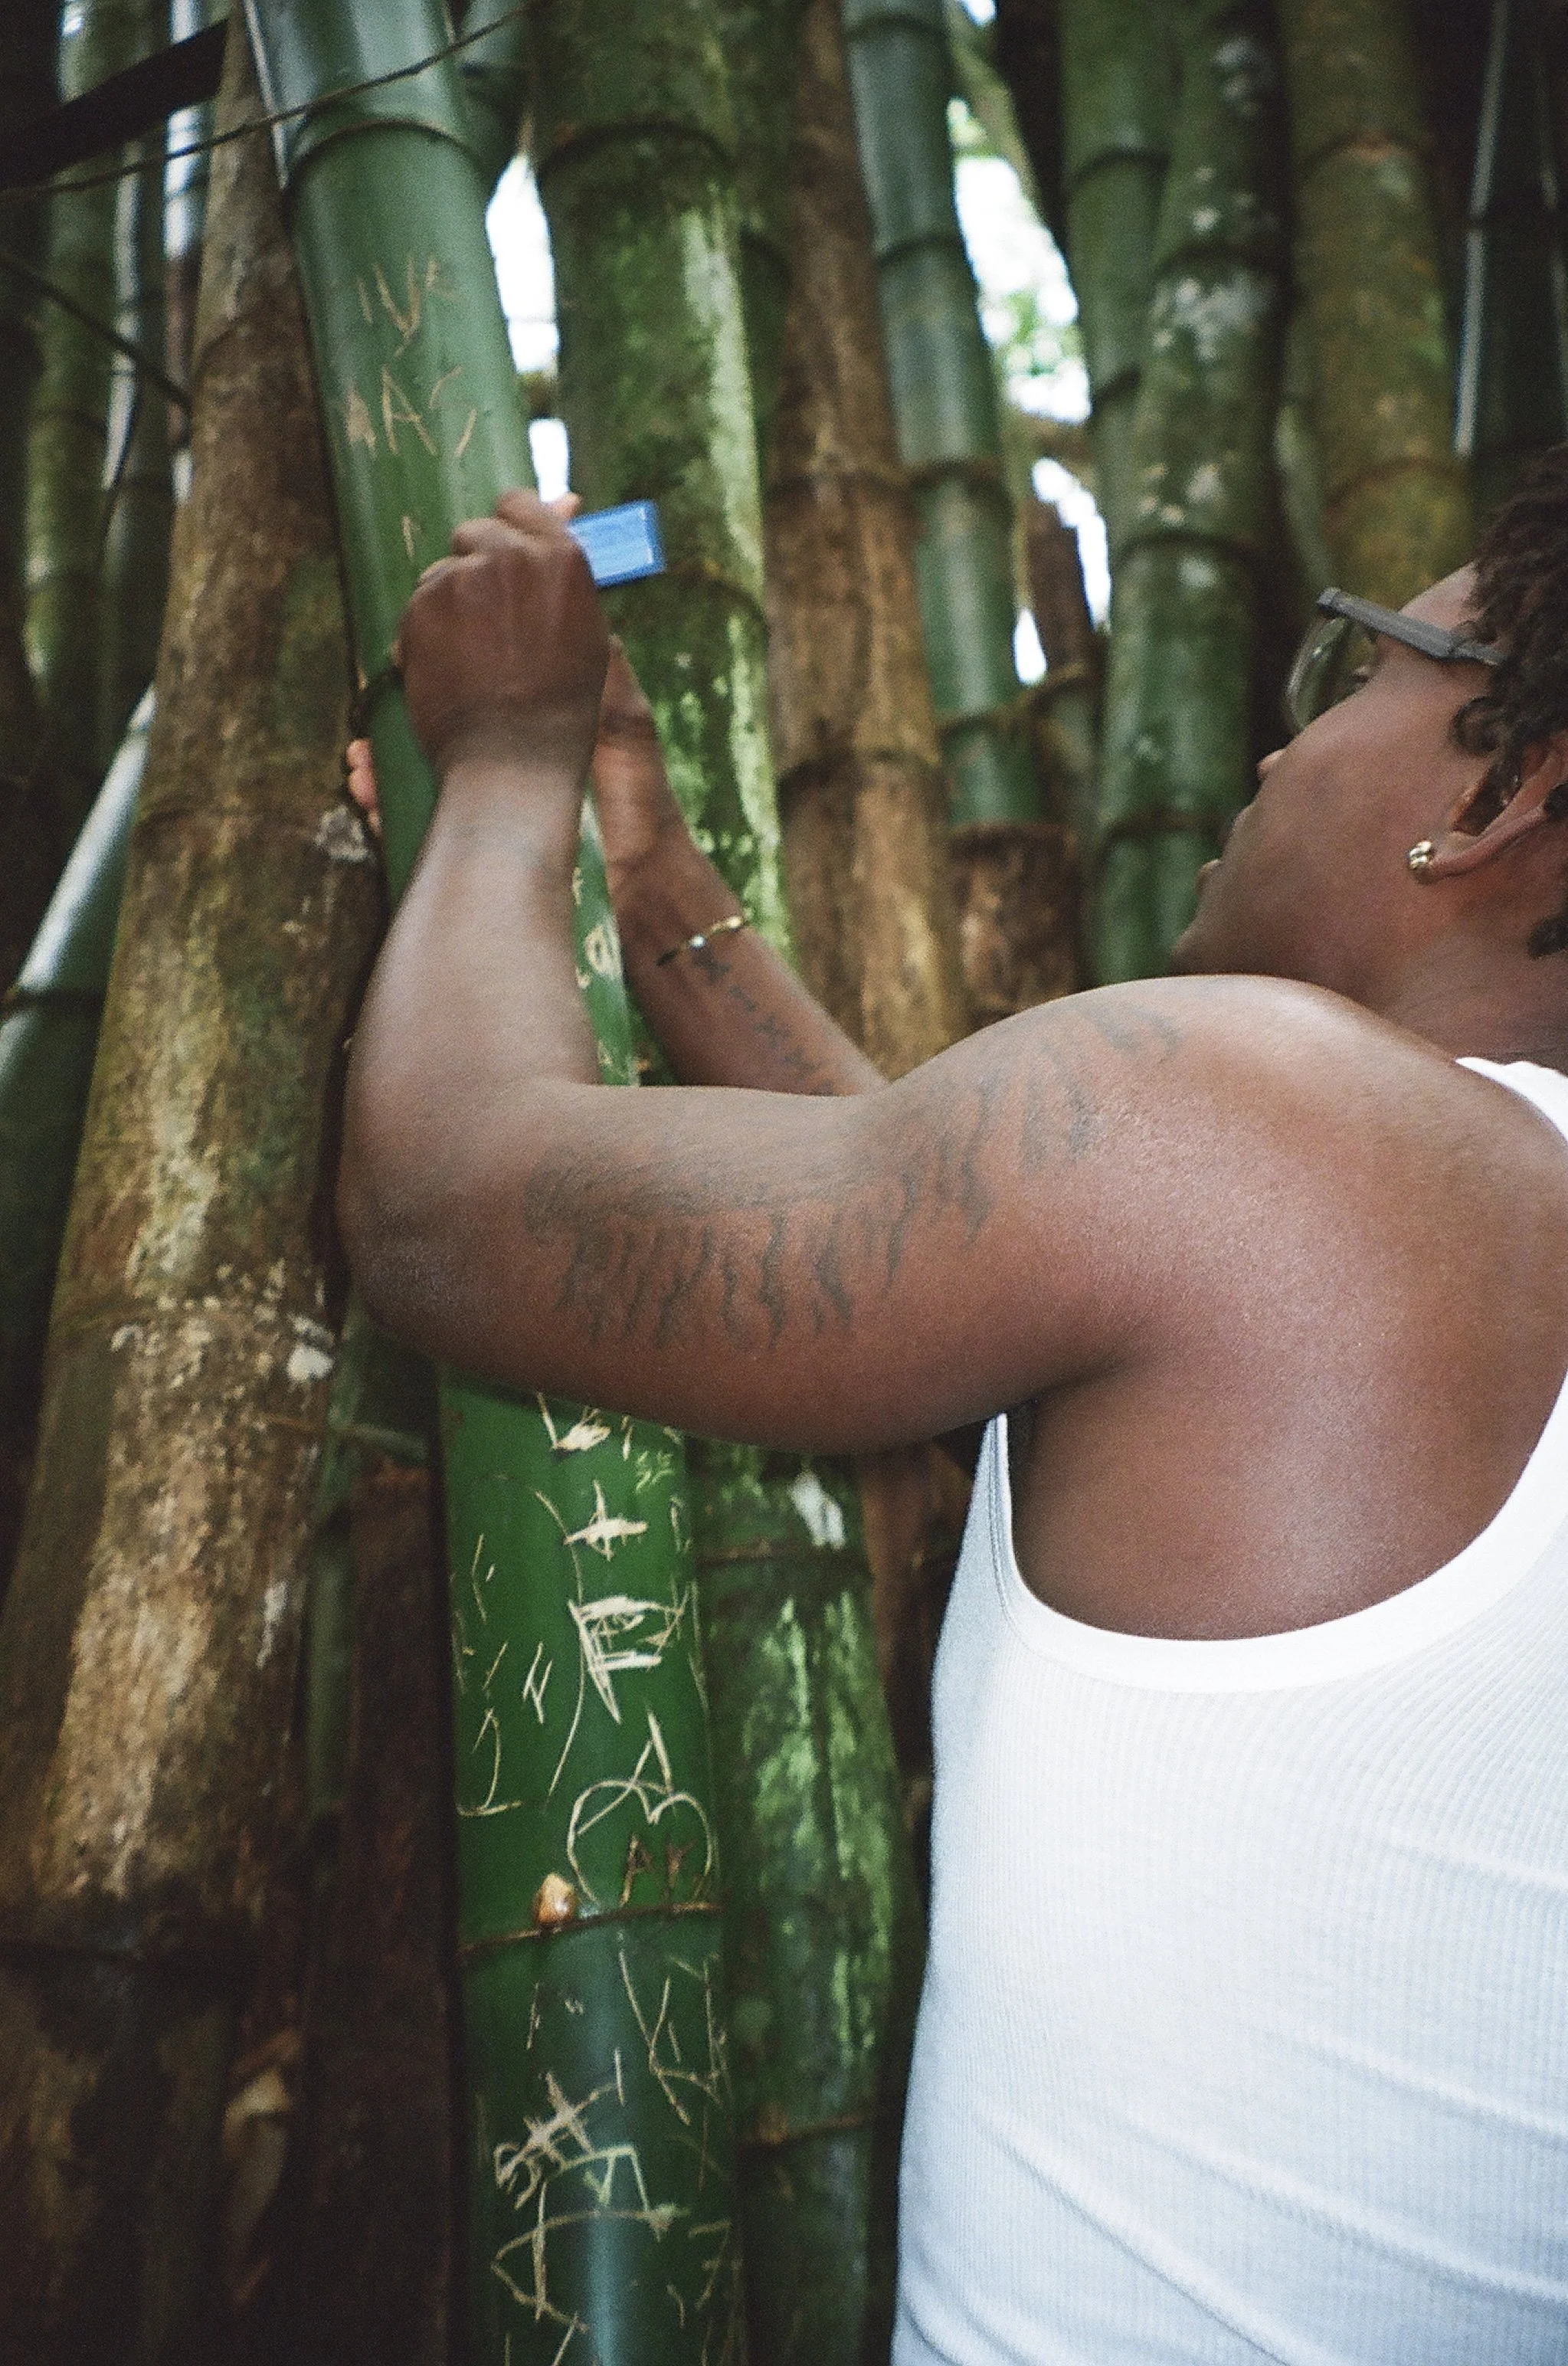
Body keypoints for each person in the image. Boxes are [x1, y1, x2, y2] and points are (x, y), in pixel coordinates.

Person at [339, 455, 1568, 2362]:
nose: (1277, 739)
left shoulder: (1266, 1124)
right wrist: (656, 878)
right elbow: (975, 1297)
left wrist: (499, 761)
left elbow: (442, 1201)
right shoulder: (1418, 1212)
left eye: (1356, 668)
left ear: (1514, 797)